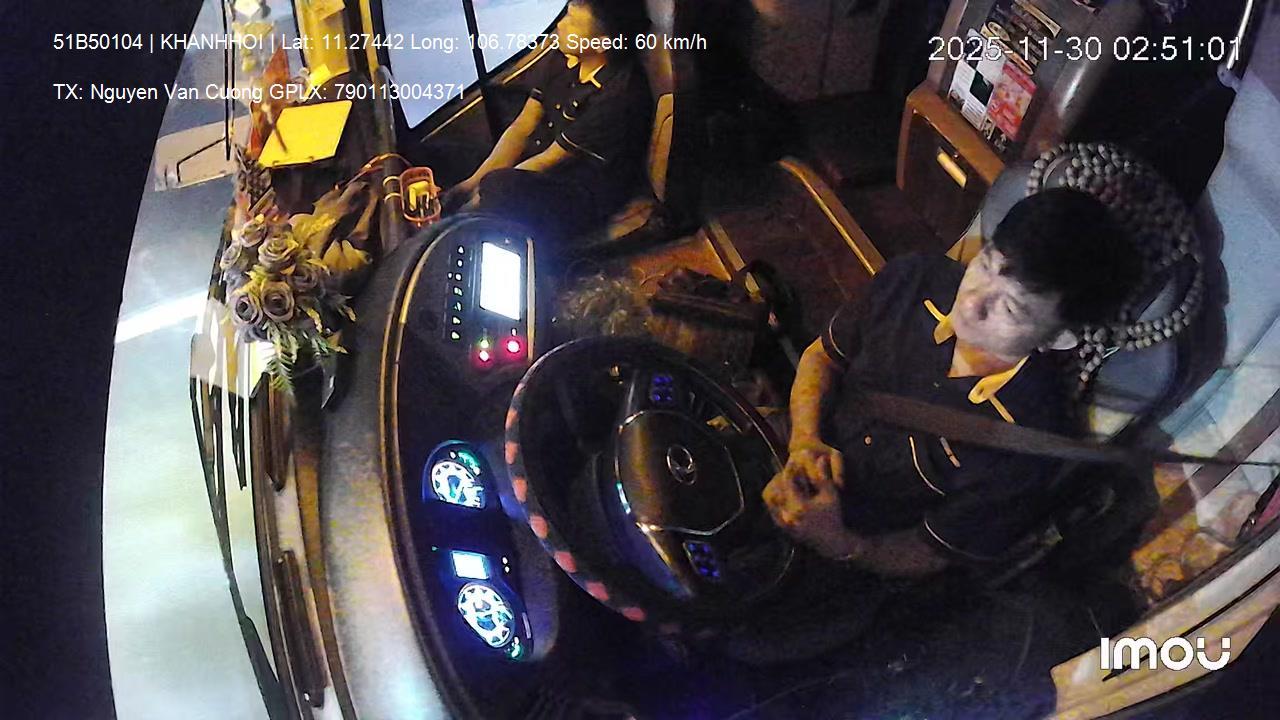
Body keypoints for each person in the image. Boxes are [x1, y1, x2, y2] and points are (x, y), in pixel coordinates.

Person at [762, 188, 1143, 578]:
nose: (972, 302)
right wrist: (804, 441)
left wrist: (837, 541)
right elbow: (822, 357)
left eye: (1009, 307)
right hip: (787, 445)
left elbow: (927, 552)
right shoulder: (913, 278)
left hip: (851, 549)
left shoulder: (1029, 443)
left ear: (1058, 338)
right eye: (985, 266)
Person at [440, 0, 651, 243]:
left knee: (496, 188)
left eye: (573, 23)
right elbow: (523, 126)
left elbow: (549, 159)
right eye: (566, 16)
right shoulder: (563, 56)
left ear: (602, 44)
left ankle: (457, 232)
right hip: (542, 159)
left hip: (578, 191)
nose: (561, 25)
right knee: (446, 153)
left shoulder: (619, 95)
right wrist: (467, 185)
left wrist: (467, 208)